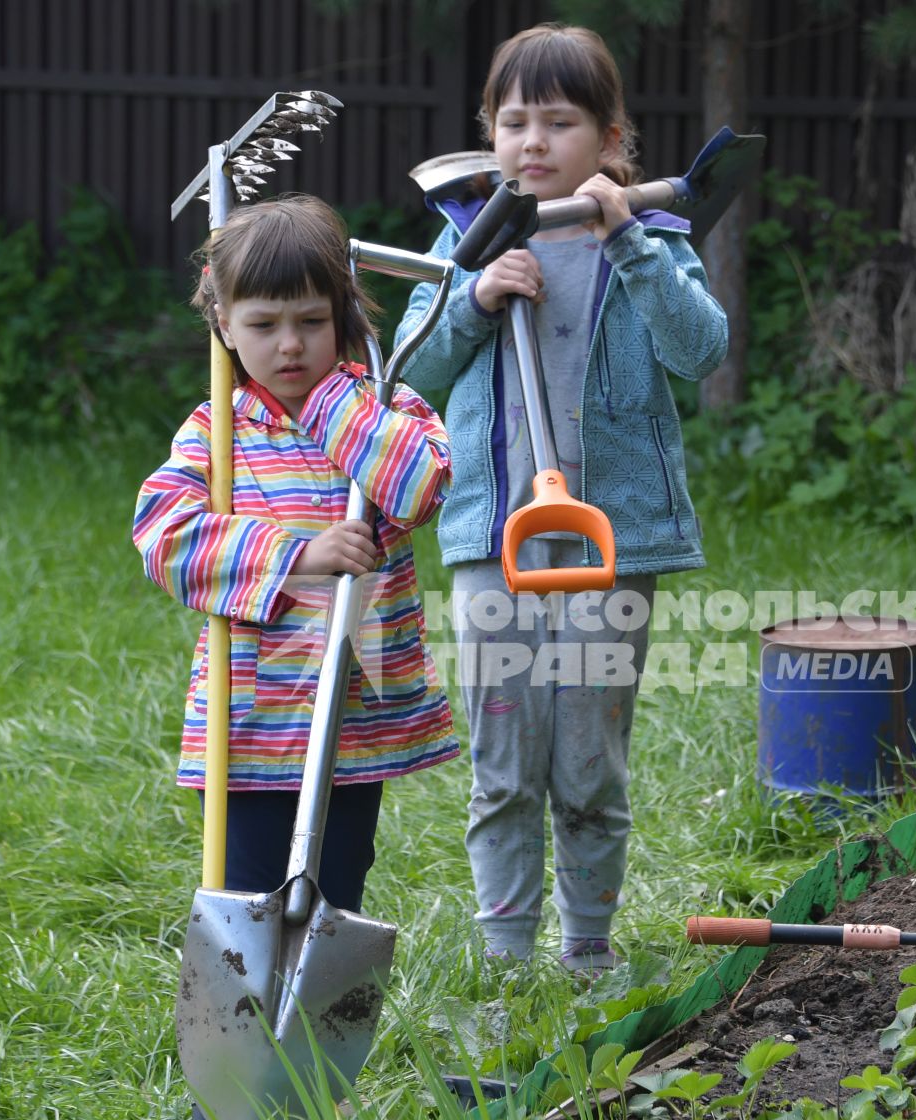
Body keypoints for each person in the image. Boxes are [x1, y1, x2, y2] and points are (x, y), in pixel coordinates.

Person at [395, 24, 728, 972]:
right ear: (489, 136)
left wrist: (628, 242)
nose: (533, 141)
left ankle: (586, 951)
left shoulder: (652, 236)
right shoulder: (465, 241)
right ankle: (506, 958)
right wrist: (474, 296)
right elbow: (410, 376)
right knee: (504, 767)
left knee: (589, 764)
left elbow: (699, 352)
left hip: (609, 544)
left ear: (610, 140)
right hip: (495, 541)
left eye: (560, 121)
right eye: (513, 122)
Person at [134, 195, 457, 912]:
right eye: (264, 325)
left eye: (311, 322)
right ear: (223, 323)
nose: (289, 346)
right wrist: (300, 555)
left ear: (341, 314)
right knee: (247, 894)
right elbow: (165, 536)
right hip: (250, 724)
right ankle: (246, 1026)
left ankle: (316, 1023)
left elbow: (420, 486)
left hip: (353, 719)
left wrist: (331, 404)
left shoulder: (388, 408)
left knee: (336, 892)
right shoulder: (217, 431)